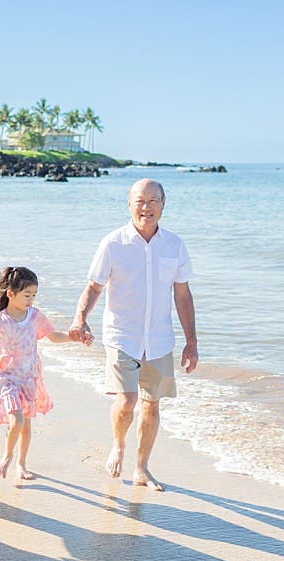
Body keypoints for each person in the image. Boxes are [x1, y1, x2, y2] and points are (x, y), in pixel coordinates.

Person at [70, 179, 198, 492]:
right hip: (122, 335)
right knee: (127, 401)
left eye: (153, 200)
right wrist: (80, 319)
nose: (146, 207)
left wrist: (191, 342)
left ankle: (142, 468)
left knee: (152, 405)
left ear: (164, 204)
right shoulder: (113, 243)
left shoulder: (175, 245)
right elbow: (94, 287)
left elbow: (182, 294)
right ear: (129, 205)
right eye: (140, 201)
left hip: (159, 339)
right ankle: (118, 445)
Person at [0, 267, 90, 481]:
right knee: (17, 420)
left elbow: (54, 336)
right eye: (27, 295)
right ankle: (7, 455)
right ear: (10, 294)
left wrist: (75, 337)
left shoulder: (35, 316)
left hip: (29, 377)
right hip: (7, 378)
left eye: (34, 295)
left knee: (26, 424)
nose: (31, 300)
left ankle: (21, 464)